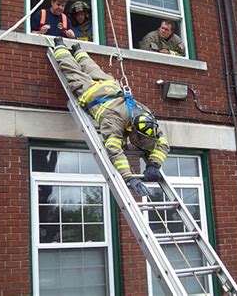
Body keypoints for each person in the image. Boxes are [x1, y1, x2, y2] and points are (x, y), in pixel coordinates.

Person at [52, 37, 170, 196]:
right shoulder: (114, 121)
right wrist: (129, 178)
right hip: (92, 93)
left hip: (111, 86)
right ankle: (60, 46)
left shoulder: (147, 120)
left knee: (92, 68)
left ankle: (78, 49)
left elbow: (162, 142)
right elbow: (114, 150)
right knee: (72, 71)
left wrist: (154, 165)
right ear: (130, 128)